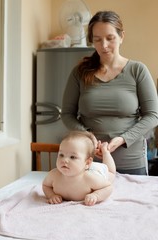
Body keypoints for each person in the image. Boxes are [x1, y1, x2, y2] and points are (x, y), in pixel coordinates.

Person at [61, 10, 158, 175]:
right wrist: (87, 135)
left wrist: (122, 139)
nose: (104, 45)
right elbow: (67, 114)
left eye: (110, 38)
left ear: (121, 36)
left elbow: (153, 116)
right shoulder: (80, 73)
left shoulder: (137, 70)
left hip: (131, 163)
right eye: (97, 39)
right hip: (90, 162)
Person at [42, 130, 116, 206]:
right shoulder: (53, 175)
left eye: (72, 157)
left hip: (95, 170)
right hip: (82, 167)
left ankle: (105, 151)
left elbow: (108, 187)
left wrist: (96, 195)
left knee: (111, 173)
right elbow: (46, 186)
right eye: (61, 155)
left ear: (87, 162)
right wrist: (51, 195)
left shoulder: (90, 178)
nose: (64, 160)